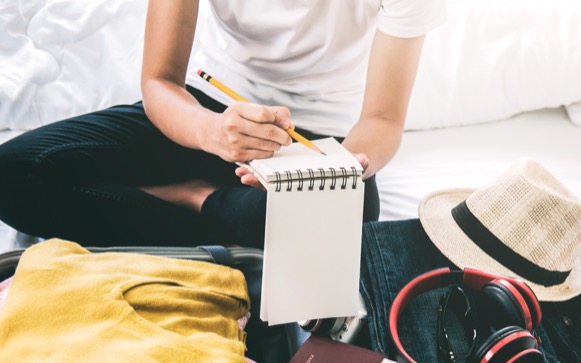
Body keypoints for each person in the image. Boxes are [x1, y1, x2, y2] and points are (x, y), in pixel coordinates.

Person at [0, 1, 446, 248]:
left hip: (313, 140)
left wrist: (334, 168)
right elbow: (160, 82)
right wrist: (212, 132)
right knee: (13, 174)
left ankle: (193, 198)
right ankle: (220, 217)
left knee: (351, 213)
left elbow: (382, 120)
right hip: (206, 113)